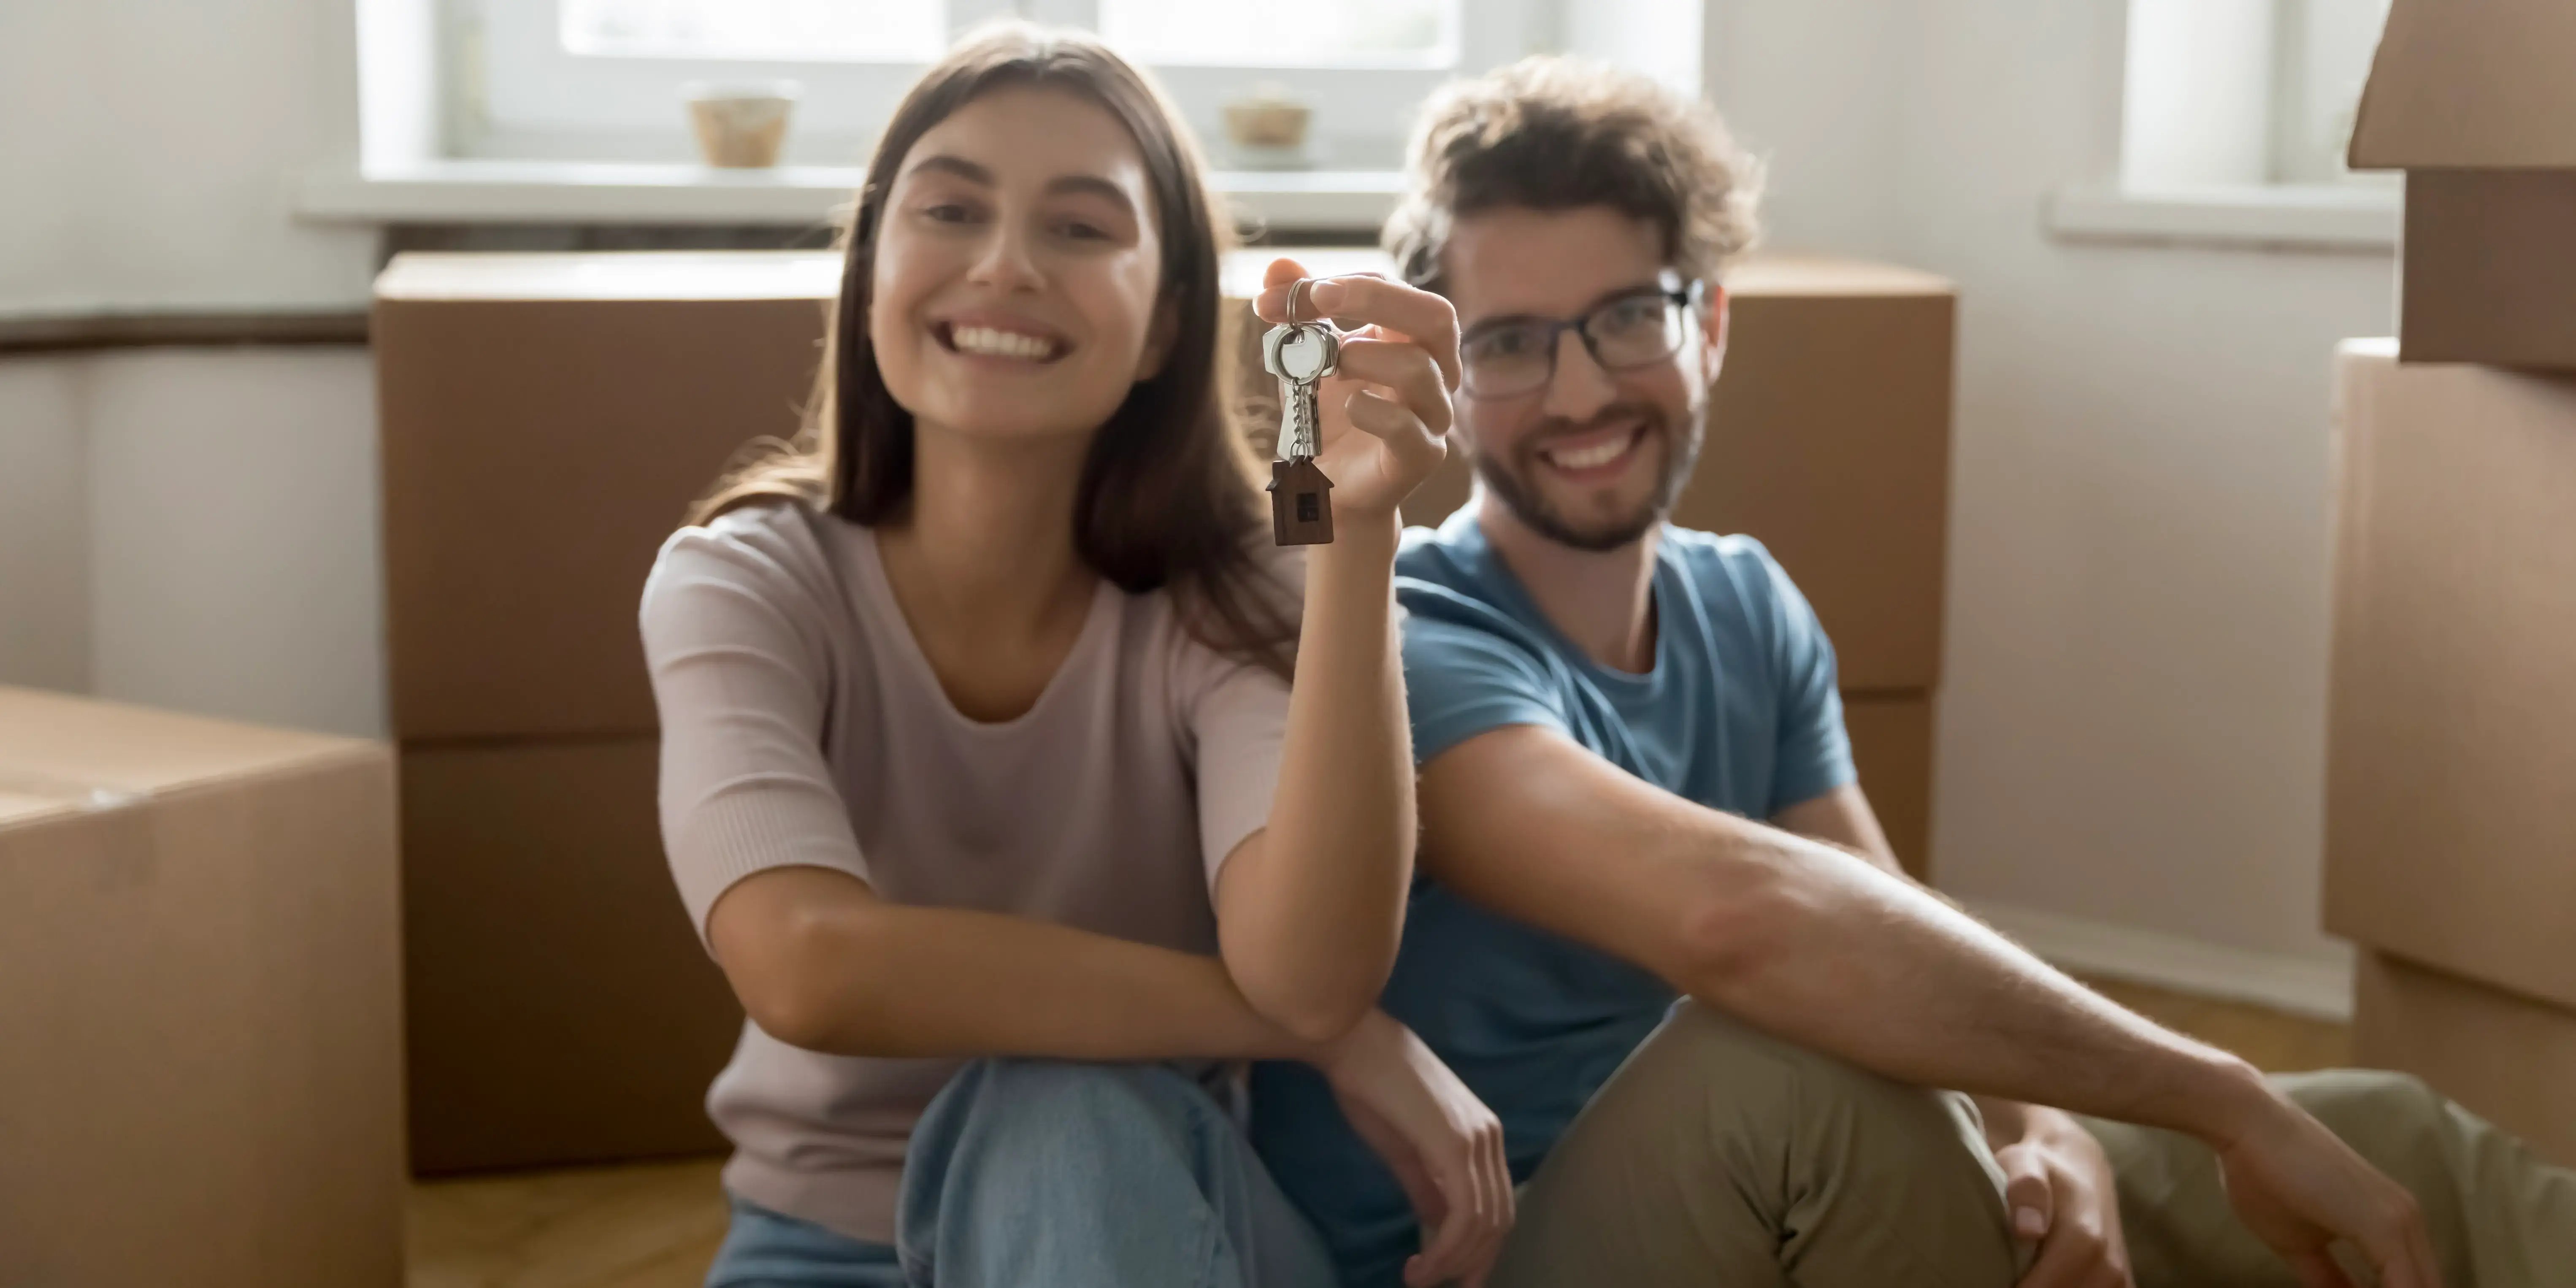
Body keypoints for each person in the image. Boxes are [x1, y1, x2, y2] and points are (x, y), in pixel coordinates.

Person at [1251, 56, 2576, 1288]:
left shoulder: (1743, 600)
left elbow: (1876, 910)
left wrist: (2044, 1129)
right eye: (1511, 344)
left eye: (1626, 319)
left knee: (2376, 1132)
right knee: (1792, 1063)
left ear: (1710, 326)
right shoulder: (1411, 640)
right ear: (1448, 379)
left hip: (1793, 1191)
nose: (1582, 391)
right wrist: (2216, 1091)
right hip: (1529, 1241)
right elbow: (1750, 919)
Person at [640, 25, 1515, 1288]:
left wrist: (1356, 530)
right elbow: (805, 960)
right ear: (872, 264)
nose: (1004, 266)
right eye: (951, 208)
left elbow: (1311, 968)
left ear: (1164, 327)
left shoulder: (1237, 593)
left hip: (1141, 1218)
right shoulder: (741, 582)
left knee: (1057, 1110)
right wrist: (1333, 1042)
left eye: (1081, 227)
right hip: (822, 1242)